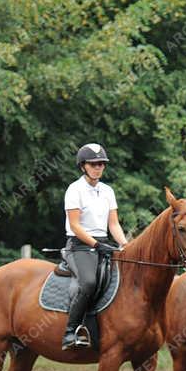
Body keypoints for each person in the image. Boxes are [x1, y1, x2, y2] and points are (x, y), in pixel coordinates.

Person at [62, 143, 129, 349]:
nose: (98, 167)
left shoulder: (107, 191)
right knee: (89, 282)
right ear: (83, 166)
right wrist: (95, 244)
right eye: (93, 164)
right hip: (79, 246)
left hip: (103, 243)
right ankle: (70, 332)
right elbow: (74, 224)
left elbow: (113, 224)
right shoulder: (75, 190)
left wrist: (124, 244)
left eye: (101, 164)